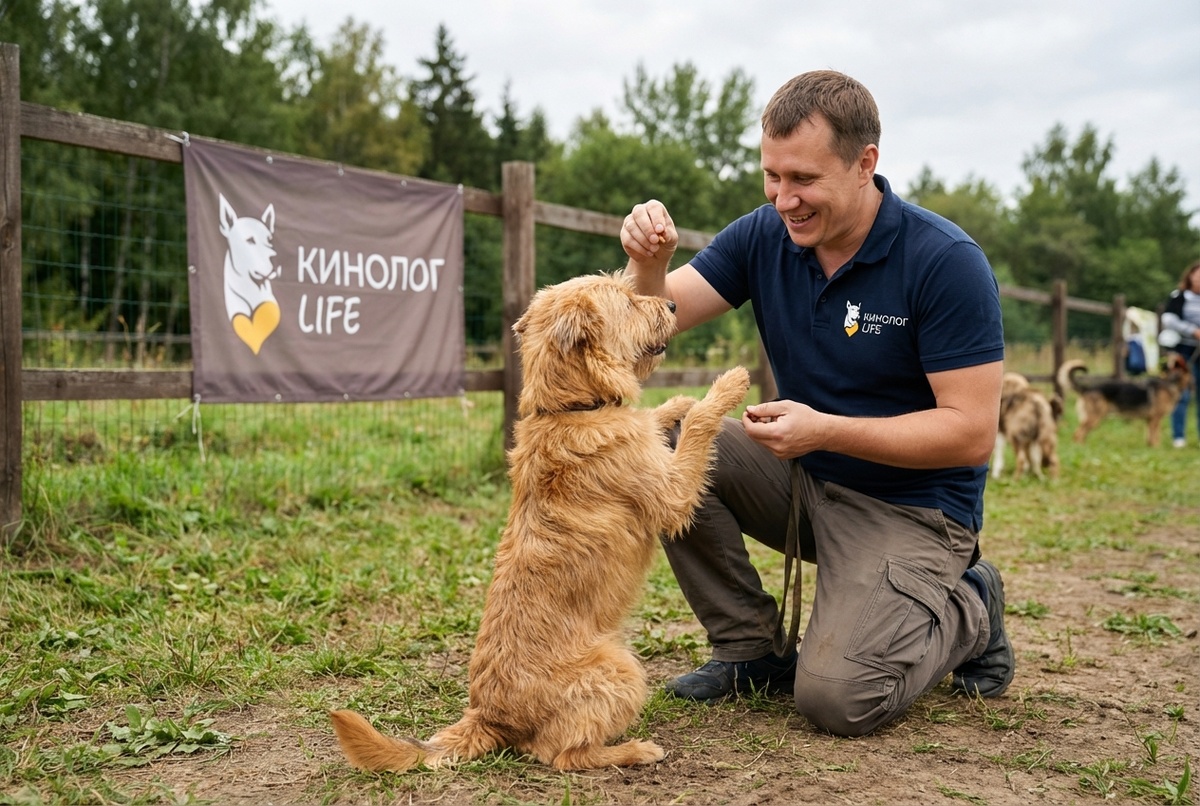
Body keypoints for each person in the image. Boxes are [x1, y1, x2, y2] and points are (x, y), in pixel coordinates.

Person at [619, 70, 1010, 738]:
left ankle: (971, 606)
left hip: (912, 509)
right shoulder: (762, 236)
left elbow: (970, 434)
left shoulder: (945, 261)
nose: (784, 199)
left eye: (803, 178)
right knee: (665, 436)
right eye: (772, 176)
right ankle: (749, 647)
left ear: (864, 164)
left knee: (839, 700)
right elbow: (645, 330)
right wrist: (649, 266)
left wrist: (825, 430)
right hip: (804, 477)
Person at [1162, 260, 1200, 448]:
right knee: (1180, 393)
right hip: (1183, 351)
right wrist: (1193, 331)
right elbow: (1168, 319)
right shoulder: (1179, 296)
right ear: (1190, 275)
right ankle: (1178, 436)